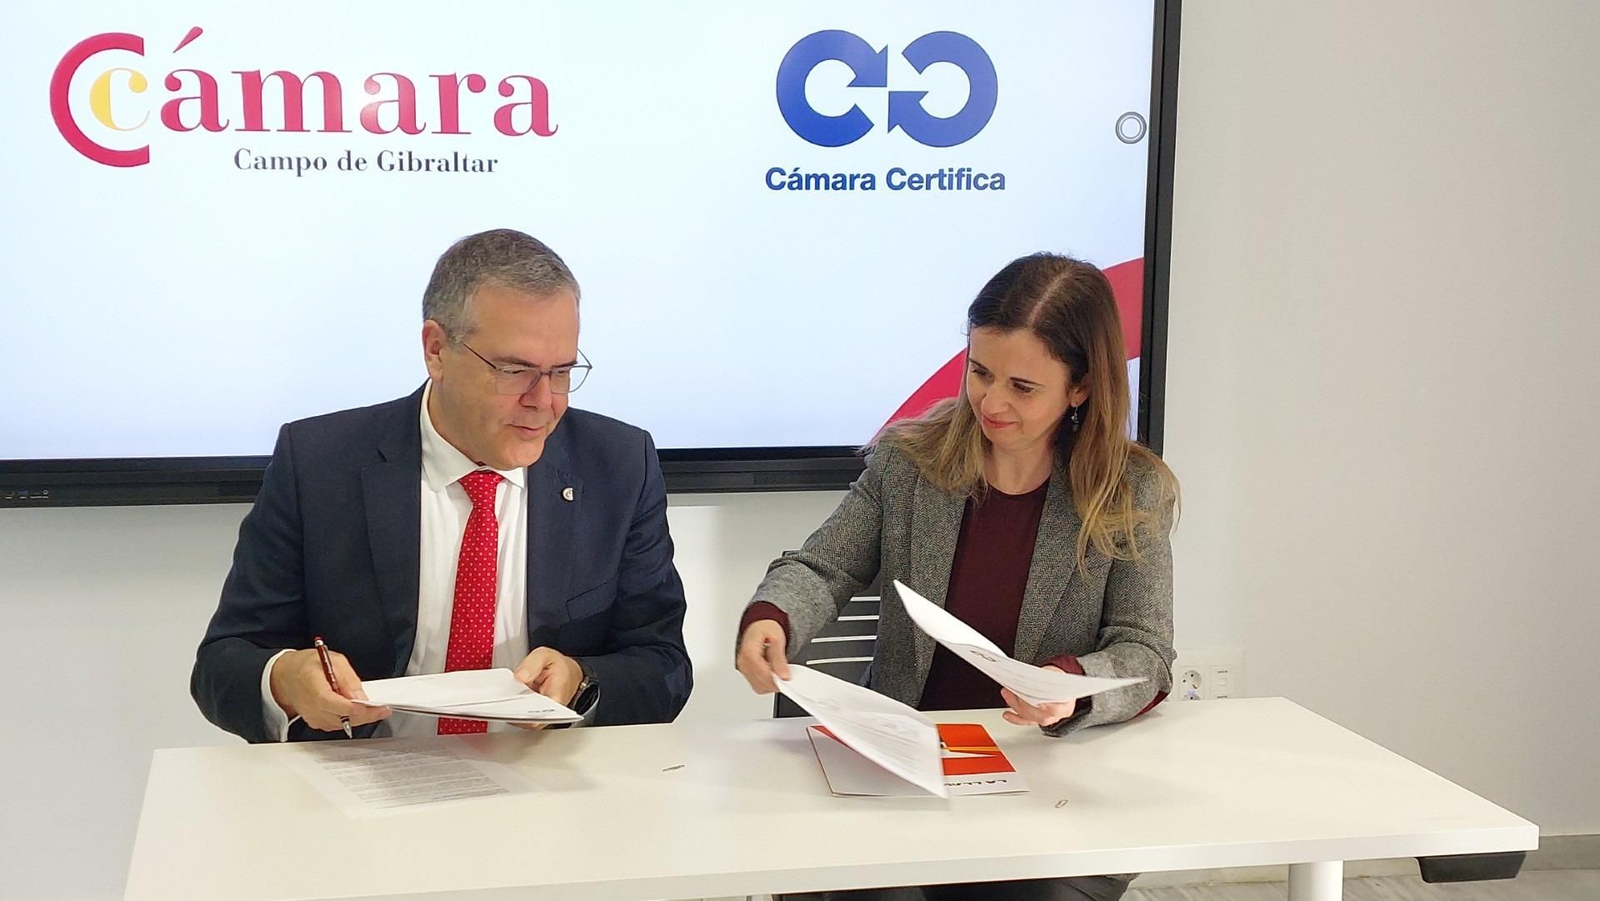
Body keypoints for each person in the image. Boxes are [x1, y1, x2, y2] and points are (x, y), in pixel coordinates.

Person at [735, 253, 1179, 901]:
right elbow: (822, 567)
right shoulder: (909, 464)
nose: (991, 402)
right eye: (980, 371)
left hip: (1046, 776)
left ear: (1080, 387)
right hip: (903, 768)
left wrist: (1071, 687)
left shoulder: (1131, 491)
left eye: (1022, 387)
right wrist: (773, 616)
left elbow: (1146, 652)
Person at [193, 228, 692, 742]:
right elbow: (222, 664)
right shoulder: (320, 463)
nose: (544, 401)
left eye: (562, 371)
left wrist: (582, 682)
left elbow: (664, 667)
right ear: (436, 350)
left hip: (543, 773)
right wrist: (284, 679)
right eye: (515, 370)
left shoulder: (618, 466)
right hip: (367, 772)